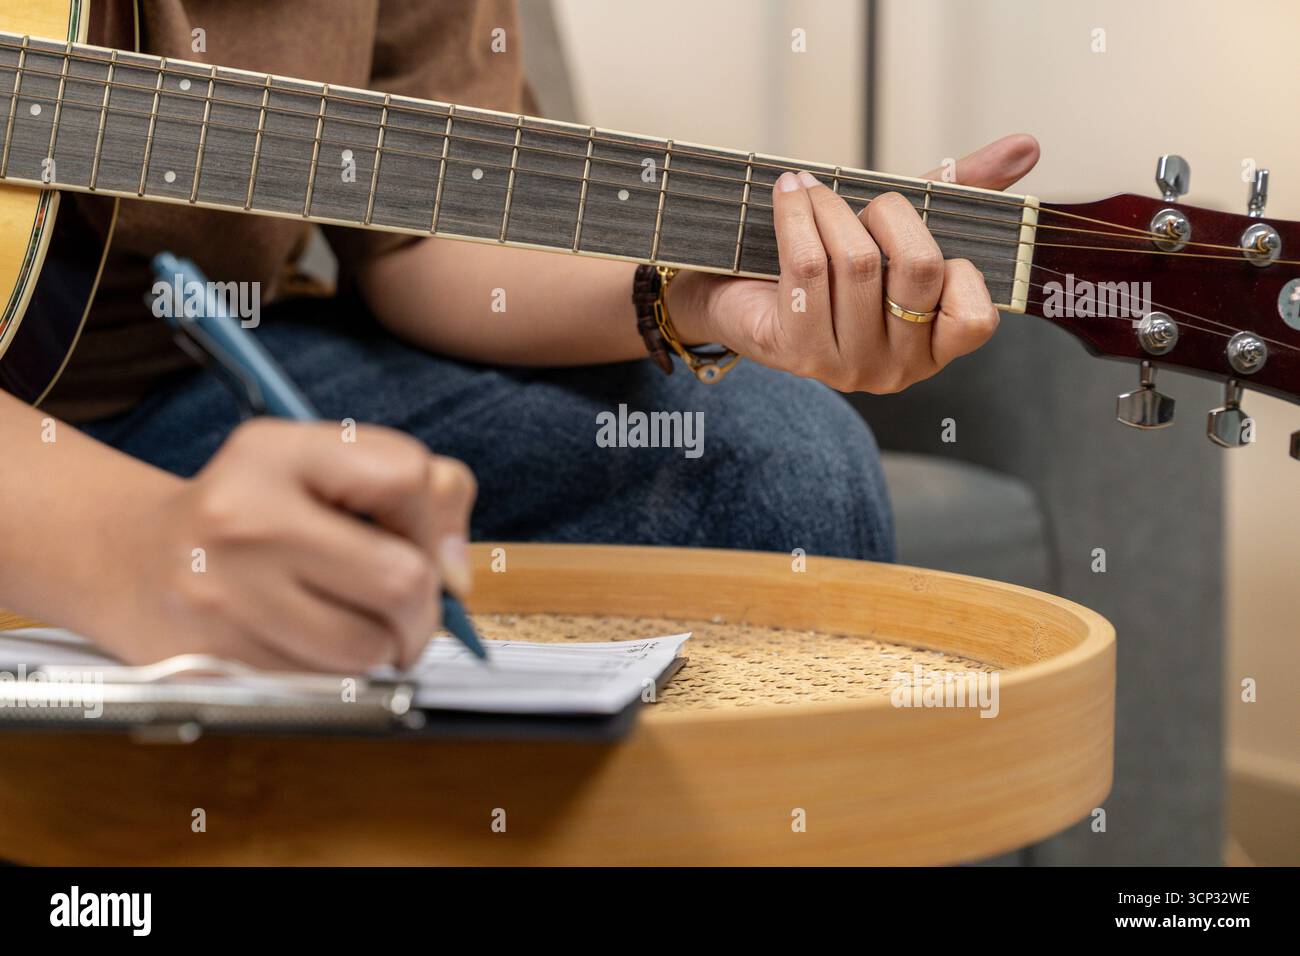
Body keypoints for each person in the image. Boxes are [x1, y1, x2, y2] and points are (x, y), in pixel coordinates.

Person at [0, 0, 1039, 671]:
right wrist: (132, 546)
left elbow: (419, 234)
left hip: (197, 366)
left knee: (780, 466)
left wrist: (692, 286)